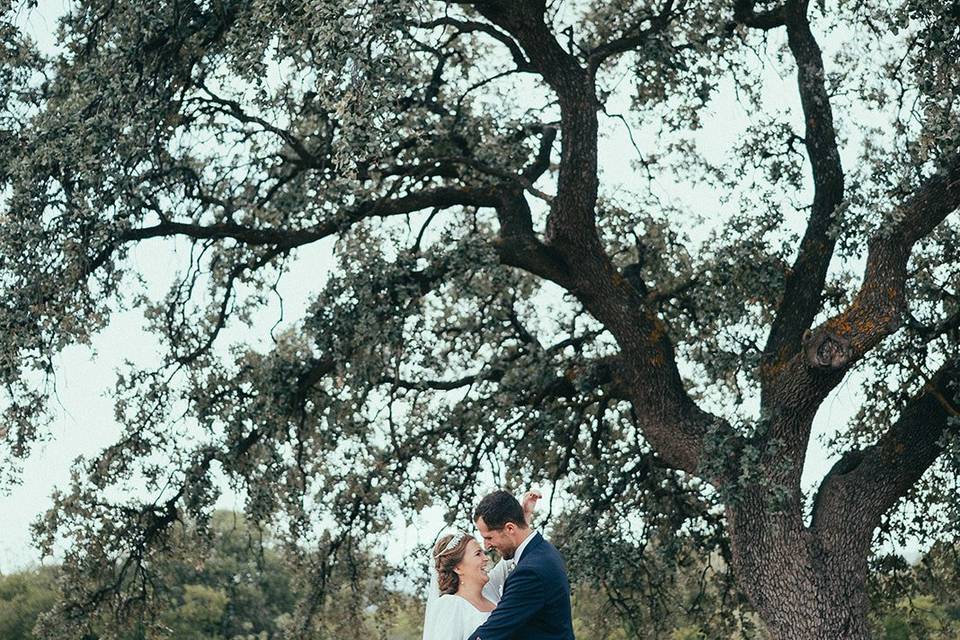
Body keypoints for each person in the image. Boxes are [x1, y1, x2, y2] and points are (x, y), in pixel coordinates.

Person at [422, 491, 542, 640]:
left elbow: (512, 553)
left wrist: (522, 518)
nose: (486, 558)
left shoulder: (490, 592)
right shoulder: (450, 605)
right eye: (478, 554)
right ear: (457, 568)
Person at [467, 490, 575, 640]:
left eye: (489, 537)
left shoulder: (530, 573)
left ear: (510, 528)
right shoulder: (544, 551)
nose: (487, 546)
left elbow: (490, 633)